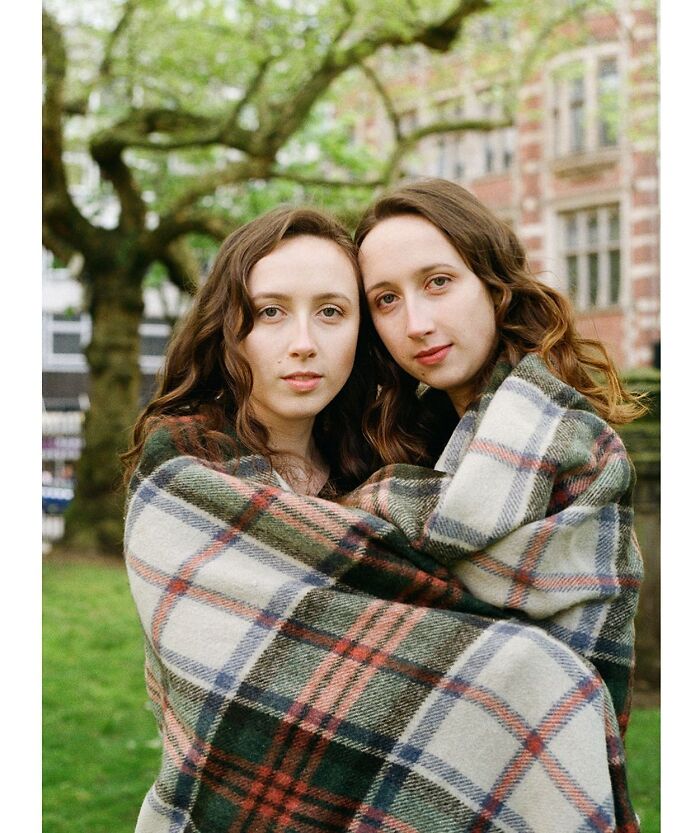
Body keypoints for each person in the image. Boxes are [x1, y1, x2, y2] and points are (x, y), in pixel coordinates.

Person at [124, 203, 639, 833]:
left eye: (333, 312)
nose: (304, 343)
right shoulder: (186, 470)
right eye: (269, 311)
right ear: (227, 326)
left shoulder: (386, 464)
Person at [343, 177, 644, 731]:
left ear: (493, 283)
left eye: (437, 282)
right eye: (386, 300)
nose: (416, 324)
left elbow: (565, 671)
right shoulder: (407, 442)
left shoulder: (577, 448)